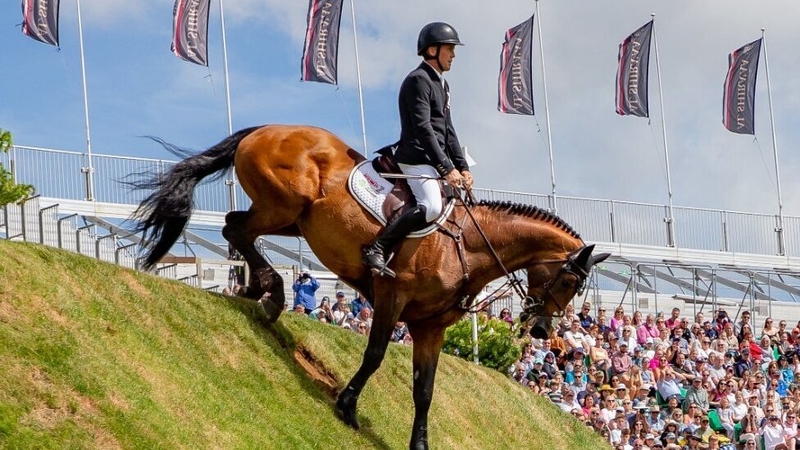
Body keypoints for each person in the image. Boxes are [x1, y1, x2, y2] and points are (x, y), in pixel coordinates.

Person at [361, 22, 472, 274]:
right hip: (415, 158)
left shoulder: (442, 85)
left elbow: (448, 130)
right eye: (449, 49)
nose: (453, 56)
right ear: (432, 50)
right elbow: (423, 128)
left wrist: (462, 167)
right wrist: (446, 168)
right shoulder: (418, 80)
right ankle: (376, 248)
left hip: (433, 160)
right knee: (432, 206)